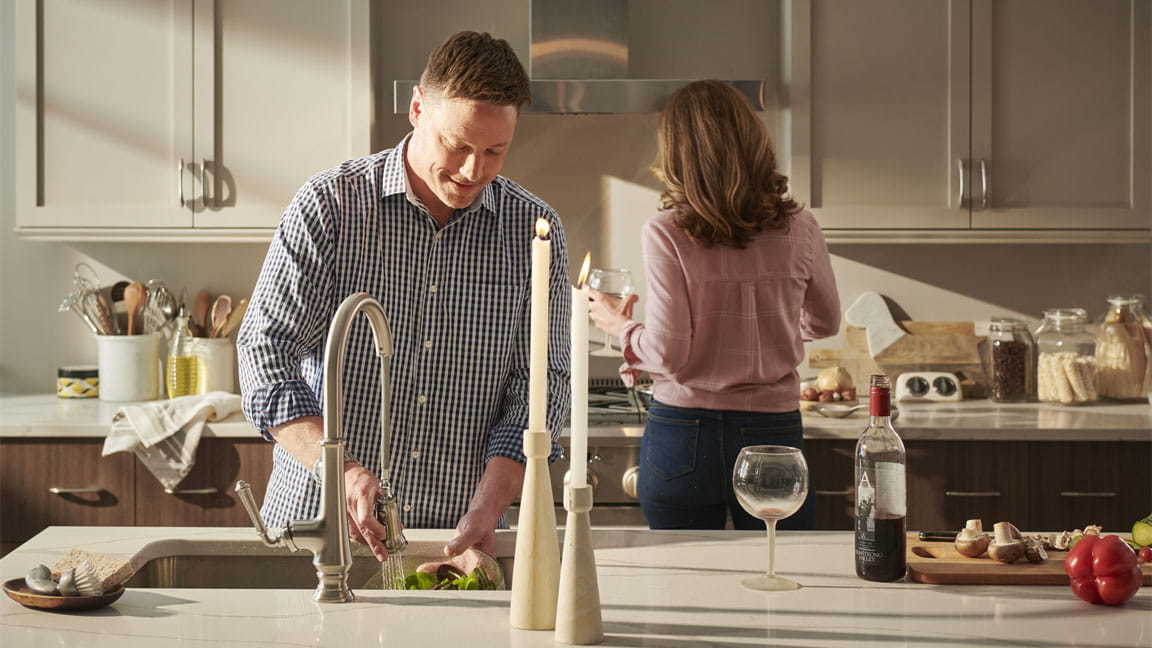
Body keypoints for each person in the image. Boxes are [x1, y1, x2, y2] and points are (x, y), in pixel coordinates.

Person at [237, 31, 570, 562]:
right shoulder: (331, 207)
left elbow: (541, 385)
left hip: (458, 540)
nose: (472, 171)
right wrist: (339, 471)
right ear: (417, 108)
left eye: (494, 151)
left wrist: (493, 503)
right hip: (323, 530)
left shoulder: (532, 231)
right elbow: (263, 350)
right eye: (456, 145)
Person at [588, 80, 840, 531]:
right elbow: (824, 321)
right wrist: (767, 331)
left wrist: (617, 324)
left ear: (677, 155)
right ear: (754, 141)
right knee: (780, 569)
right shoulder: (801, 226)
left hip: (685, 432)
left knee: (680, 578)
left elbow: (668, 353)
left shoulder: (666, 231)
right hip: (773, 432)